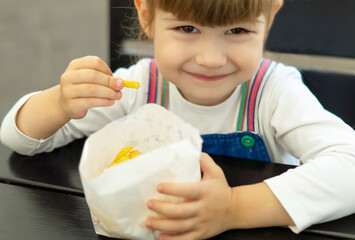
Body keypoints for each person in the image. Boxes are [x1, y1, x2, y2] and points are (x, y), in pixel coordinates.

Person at [1, 0, 355, 239]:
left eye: (237, 31)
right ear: (146, 12)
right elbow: (18, 140)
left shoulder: (273, 94)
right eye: (187, 29)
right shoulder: (138, 88)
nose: (211, 58)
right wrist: (60, 103)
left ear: (271, 14)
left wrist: (233, 209)